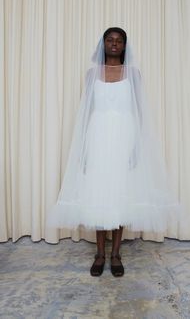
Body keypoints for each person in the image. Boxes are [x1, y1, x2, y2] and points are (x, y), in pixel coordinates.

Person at [47, 27, 179, 277]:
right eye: (110, 40)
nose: (114, 44)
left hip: (124, 137)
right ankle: (99, 254)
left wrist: (138, 146)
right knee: (98, 195)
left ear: (125, 45)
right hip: (97, 138)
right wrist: (83, 149)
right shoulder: (91, 75)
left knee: (120, 195)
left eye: (119, 40)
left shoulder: (134, 74)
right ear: (103, 44)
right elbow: (85, 115)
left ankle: (116, 254)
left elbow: (141, 114)